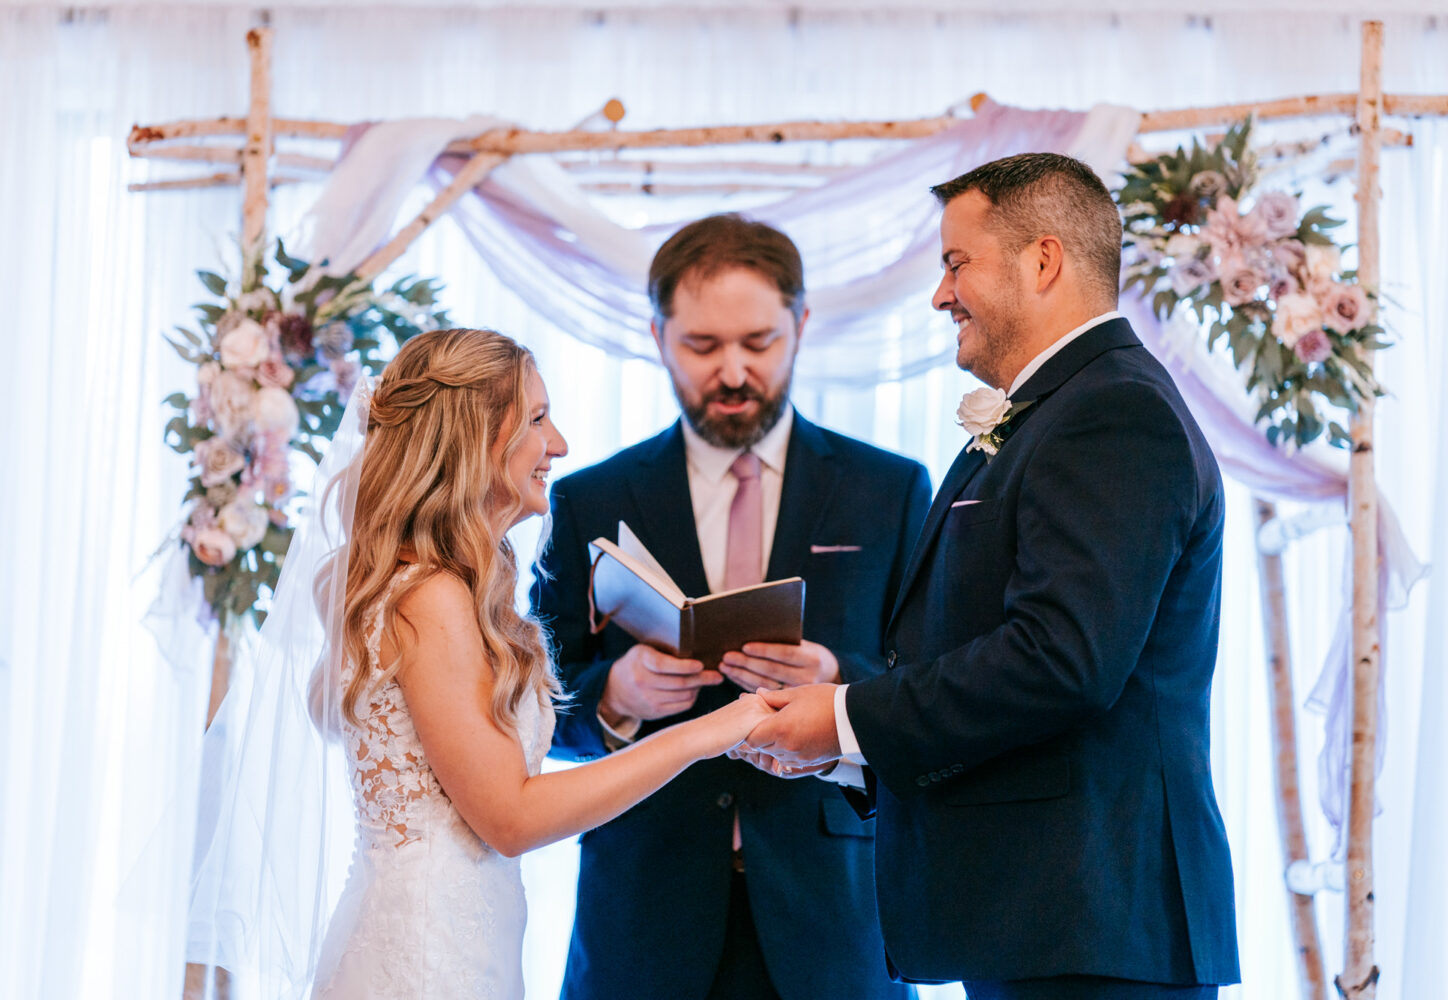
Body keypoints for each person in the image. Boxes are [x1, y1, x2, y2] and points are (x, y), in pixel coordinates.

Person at [739, 154, 1241, 999]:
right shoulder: (1066, 409)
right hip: (1048, 921)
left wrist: (850, 716)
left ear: (1043, 261)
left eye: (955, 262)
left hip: (1092, 924)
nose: (941, 295)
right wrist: (848, 747)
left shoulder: (1112, 413)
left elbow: (1061, 659)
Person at [210, 327, 773, 1000]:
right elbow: (510, 817)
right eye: (537, 419)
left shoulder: (447, 587)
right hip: (424, 963)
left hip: (459, 941)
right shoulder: (432, 596)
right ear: (472, 439)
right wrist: (710, 733)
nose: (558, 444)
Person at [531, 214, 931, 1000]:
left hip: (836, 915)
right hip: (643, 914)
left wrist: (837, 681)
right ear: (657, 337)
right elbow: (535, 703)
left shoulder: (889, 490)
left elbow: (934, 684)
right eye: (704, 347)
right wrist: (614, 698)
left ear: (802, 326)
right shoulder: (588, 498)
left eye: (759, 342)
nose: (735, 372)